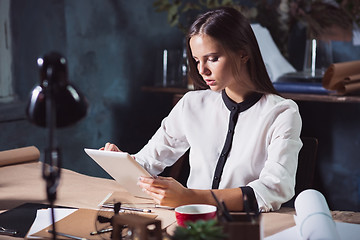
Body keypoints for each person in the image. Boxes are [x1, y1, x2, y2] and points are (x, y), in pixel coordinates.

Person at [102, 7, 302, 212]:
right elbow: (149, 160)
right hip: (190, 221)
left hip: (246, 225)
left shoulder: (282, 113)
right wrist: (123, 162)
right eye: (197, 60)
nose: (202, 70)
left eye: (213, 58)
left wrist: (189, 197)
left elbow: (275, 188)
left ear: (243, 54)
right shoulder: (192, 104)